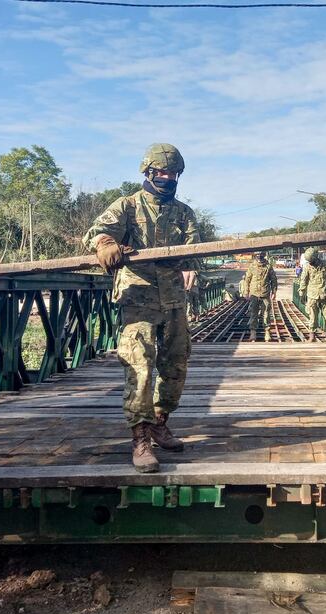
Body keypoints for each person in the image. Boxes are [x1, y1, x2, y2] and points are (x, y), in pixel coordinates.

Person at [83, 143, 199, 473]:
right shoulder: (127, 206)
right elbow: (97, 232)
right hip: (138, 299)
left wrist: (186, 259)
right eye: (162, 172)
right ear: (147, 172)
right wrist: (106, 243)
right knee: (140, 367)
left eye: (173, 174)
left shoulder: (183, 213)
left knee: (176, 361)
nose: (168, 178)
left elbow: (194, 248)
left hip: (174, 298)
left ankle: (161, 420)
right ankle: (141, 437)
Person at [298, 247, 326, 339]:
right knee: (312, 316)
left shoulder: (325, 264)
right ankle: (312, 335)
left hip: (325, 294)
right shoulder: (307, 267)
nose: (310, 262)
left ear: (315, 258)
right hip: (312, 295)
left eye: (311, 260)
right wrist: (302, 292)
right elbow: (303, 281)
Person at [242, 251, 277, 341]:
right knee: (253, 313)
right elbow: (247, 280)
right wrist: (246, 292)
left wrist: (274, 292)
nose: (259, 257)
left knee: (266, 314)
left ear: (264, 255)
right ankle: (253, 333)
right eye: (257, 255)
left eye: (261, 255)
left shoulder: (268, 266)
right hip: (254, 294)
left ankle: (267, 332)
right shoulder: (252, 266)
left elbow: (273, 280)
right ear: (255, 256)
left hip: (265, 293)